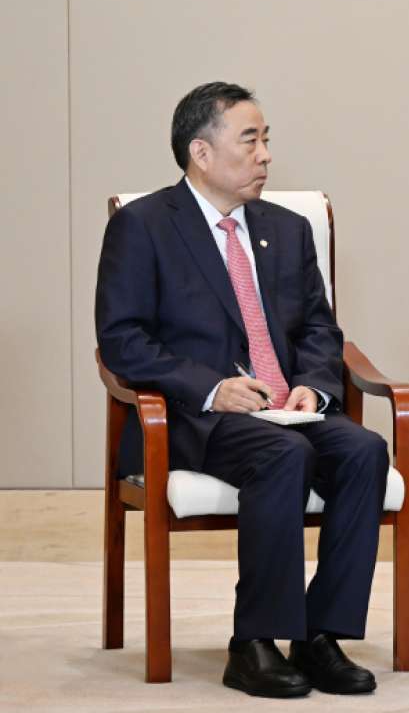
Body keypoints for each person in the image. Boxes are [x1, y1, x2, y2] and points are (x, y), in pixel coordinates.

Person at [96, 82, 389, 698]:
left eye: (266, 140)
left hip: (285, 410)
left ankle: (319, 637)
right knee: (284, 455)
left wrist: (314, 386)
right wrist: (211, 389)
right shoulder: (143, 226)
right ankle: (253, 643)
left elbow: (319, 328)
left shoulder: (286, 229)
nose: (265, 155)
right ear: (201, 153)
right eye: (250, 140)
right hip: (192, 417)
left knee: (364, 450)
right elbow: (122, 341)